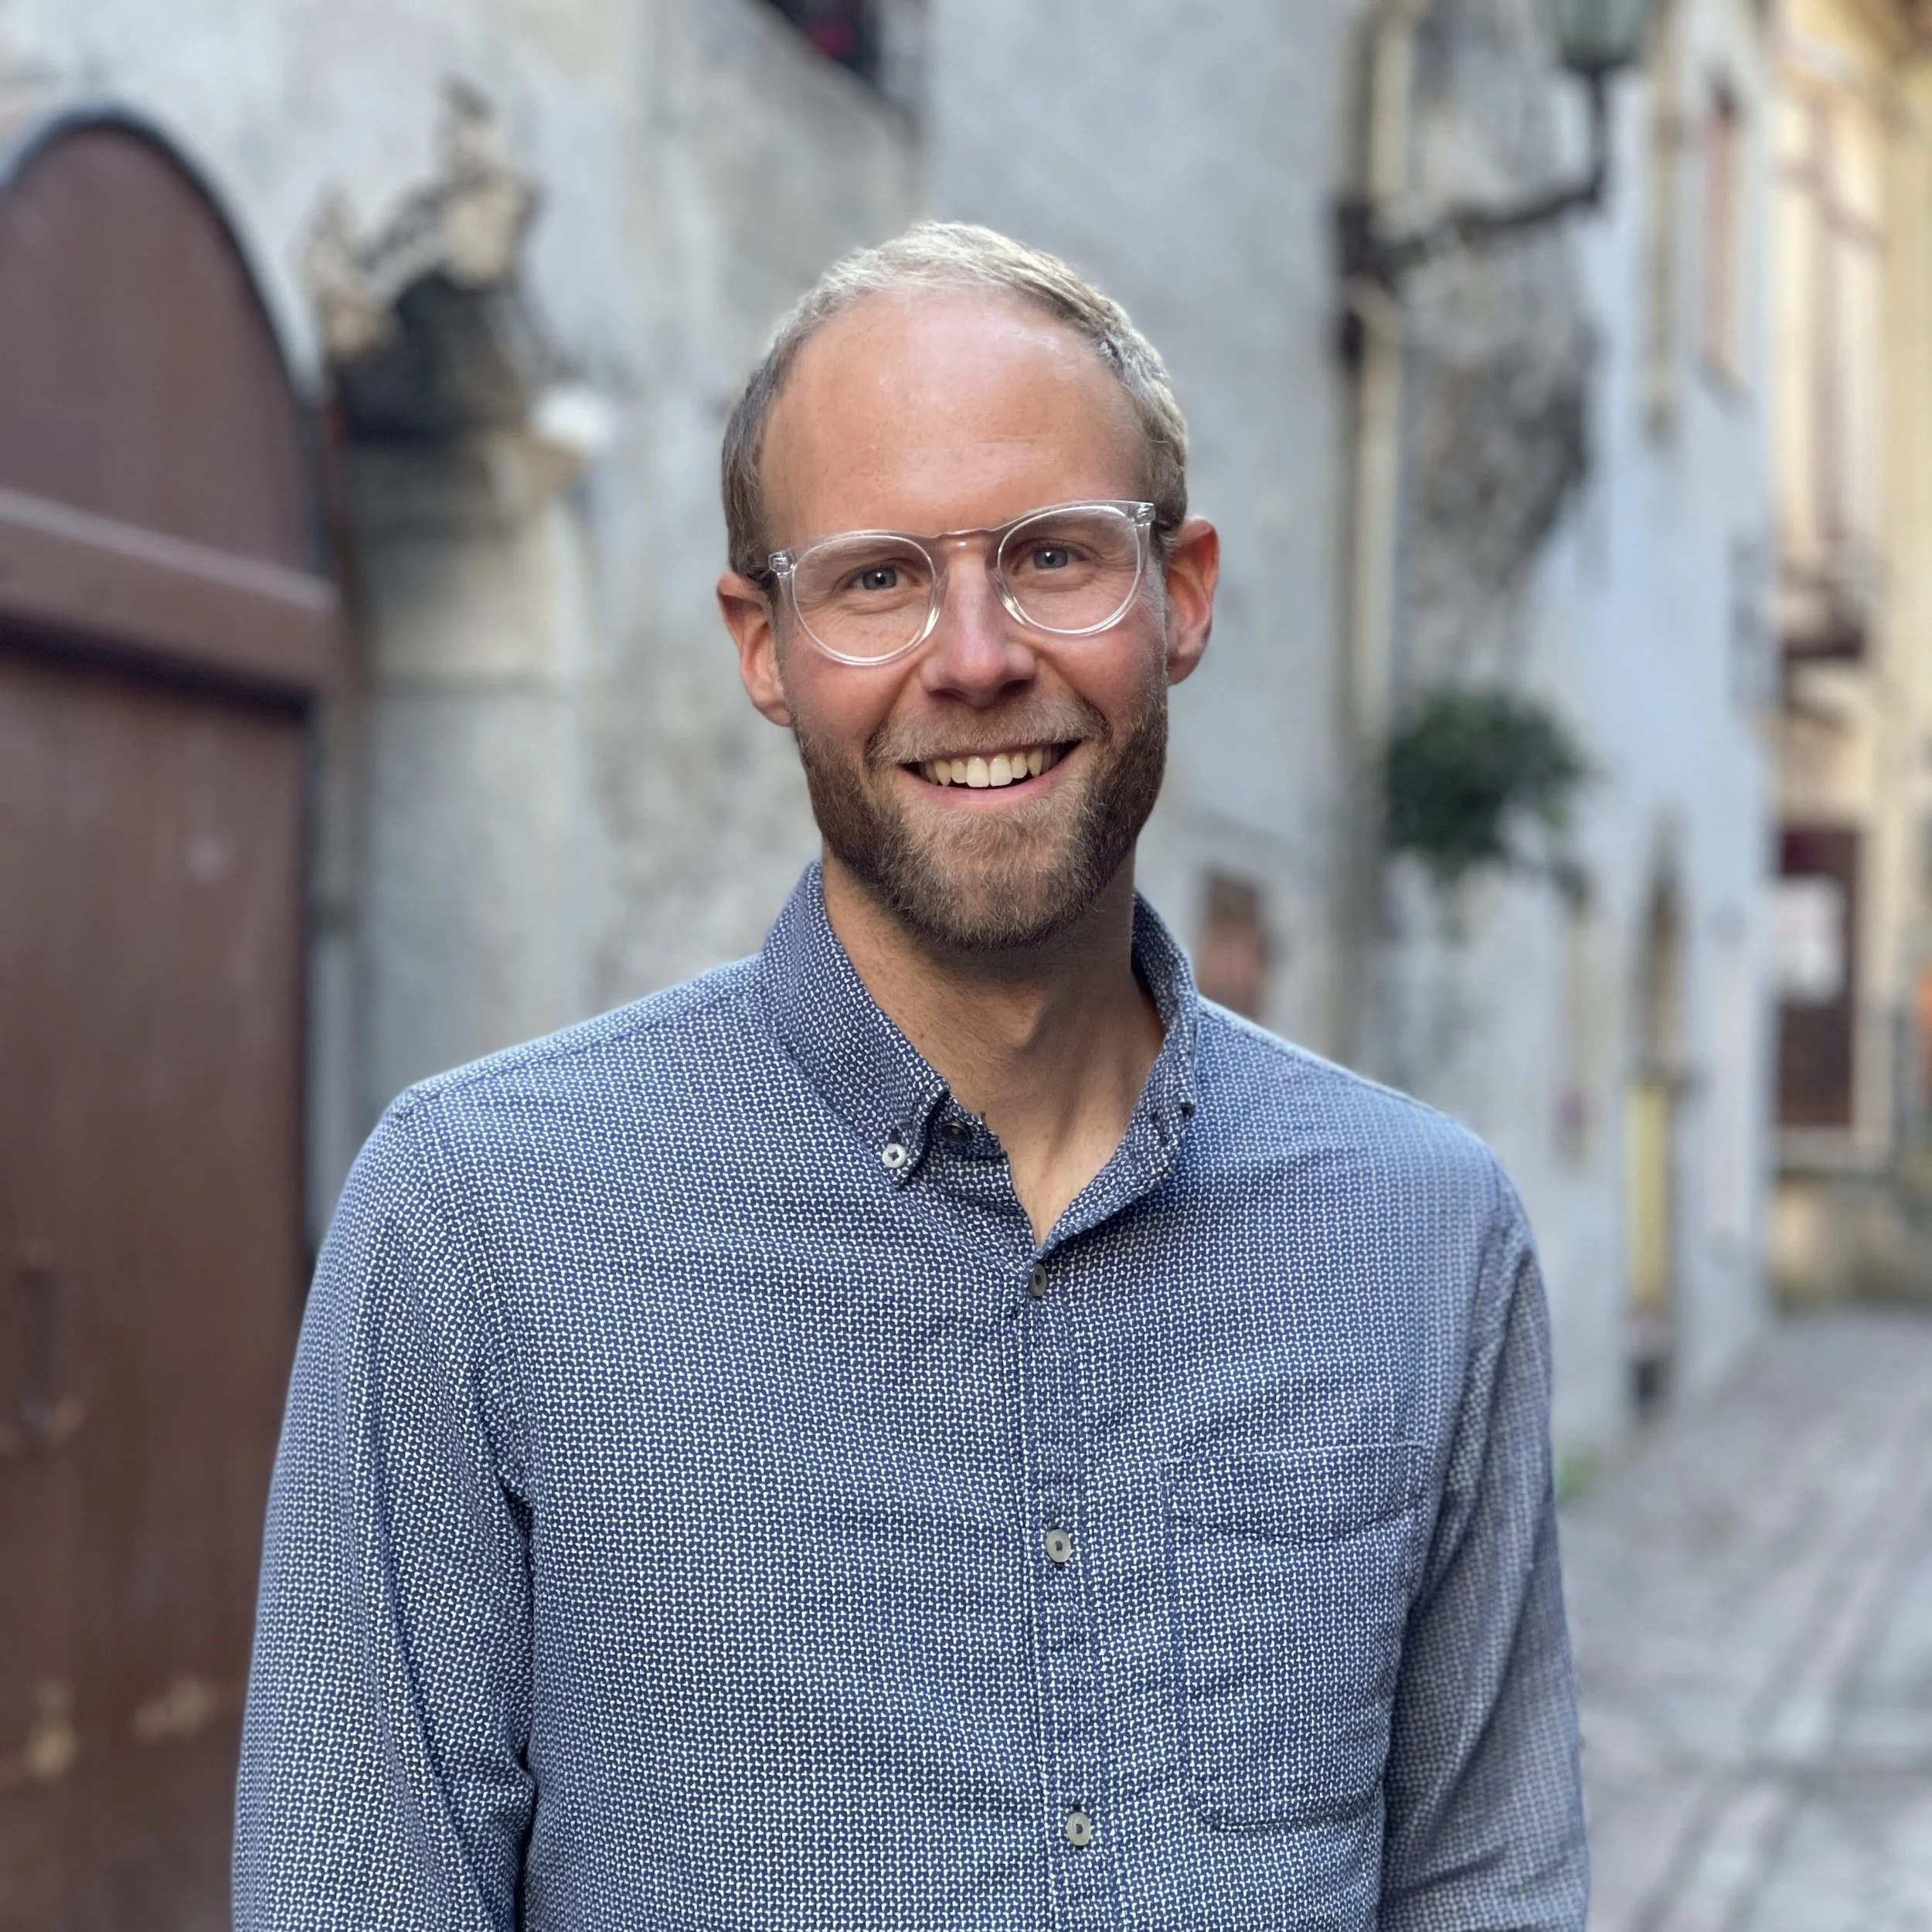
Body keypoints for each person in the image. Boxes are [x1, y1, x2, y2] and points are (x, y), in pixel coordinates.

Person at [236, 222, 1587, 1930]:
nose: (974, 656)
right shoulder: (477, 1219)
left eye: (1052, 555)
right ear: (763, 643)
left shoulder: (1423, 1233)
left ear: (1180, 594)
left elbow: (1485, 1882)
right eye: (875, 578)